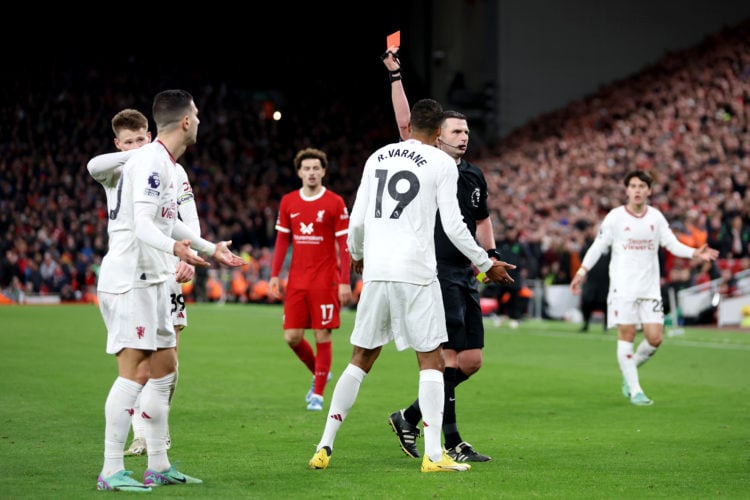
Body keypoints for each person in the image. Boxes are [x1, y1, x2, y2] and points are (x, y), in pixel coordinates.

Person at [307, 98, 513, 473]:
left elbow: (357, 219)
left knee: (360, 359)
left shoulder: (378, 157)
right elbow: (453, 227)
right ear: (438, 133)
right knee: (432, 360)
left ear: (410, 126)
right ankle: (435, 456)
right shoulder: (441, 164)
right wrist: (486, 264)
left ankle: (324, 445)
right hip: (416, 272)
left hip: (377, 272)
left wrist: (357, 253)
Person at [93, 89, 244, 492]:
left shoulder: (169, 166)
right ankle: (110, 469)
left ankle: (158, 463)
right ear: (186, 122)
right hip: (131, 280)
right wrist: (176, 248)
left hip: (154, 280)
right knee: (136, 371)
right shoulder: (149, 162)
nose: (199, 120)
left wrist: (209, 247)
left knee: (164, 371)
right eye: (197, 114)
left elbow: (167, 220)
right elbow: (143, 224)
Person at [381, 46, 510, 463]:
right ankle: (451, 441)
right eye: (456, 131)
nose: (464, 136)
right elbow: (405, 125)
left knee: (470, 361)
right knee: (446, 358)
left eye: (467, 131)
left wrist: (489, 256)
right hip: (436, 272)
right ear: (438, 137)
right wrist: (396, 77)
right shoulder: (428, 163)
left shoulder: (473, 174)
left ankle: (409, 415)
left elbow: (482, 219)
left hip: (466, 272)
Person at [87, 108, 202, 457]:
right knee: (138, 362)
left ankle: (158, 435)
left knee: (169, 359)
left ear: (151, 135)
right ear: (118, 144)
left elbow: (186, 215)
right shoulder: (118, 170)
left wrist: (191, 254)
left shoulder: (173, 168)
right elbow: (93, 165)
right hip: (133, 273)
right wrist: (143, 153)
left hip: (167, 268)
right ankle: (140, 435)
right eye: (129, 142)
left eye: (142, 139)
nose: (136, 145)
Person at [570, 170, 718, 406]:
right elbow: (598, 247)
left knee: (655, 338)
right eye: (633, 186)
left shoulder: (656, 218)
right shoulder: (615, 217)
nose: (637, 190)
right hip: (623, 289)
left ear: (649, 190)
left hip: (650, 289)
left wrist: (694, 252)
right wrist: (581, 272)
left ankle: (629, 371)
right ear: (627, 190)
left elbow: (671, 244)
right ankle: (636, 389)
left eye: (642, 186)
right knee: (627, 336)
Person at [269, 148, 352, 411]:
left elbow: (344, 244)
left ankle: (317, 393)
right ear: (299, 172)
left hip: (325, 280)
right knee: (292, 337)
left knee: (322, 333)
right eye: (307, 168)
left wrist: (344, 280)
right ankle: (319, 371)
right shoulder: (288, 202)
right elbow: (282, 240)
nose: (312, 172)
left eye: (316, 168)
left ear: (324, 171)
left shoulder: (335, 202)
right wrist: (274, 274)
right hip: (296, 281)